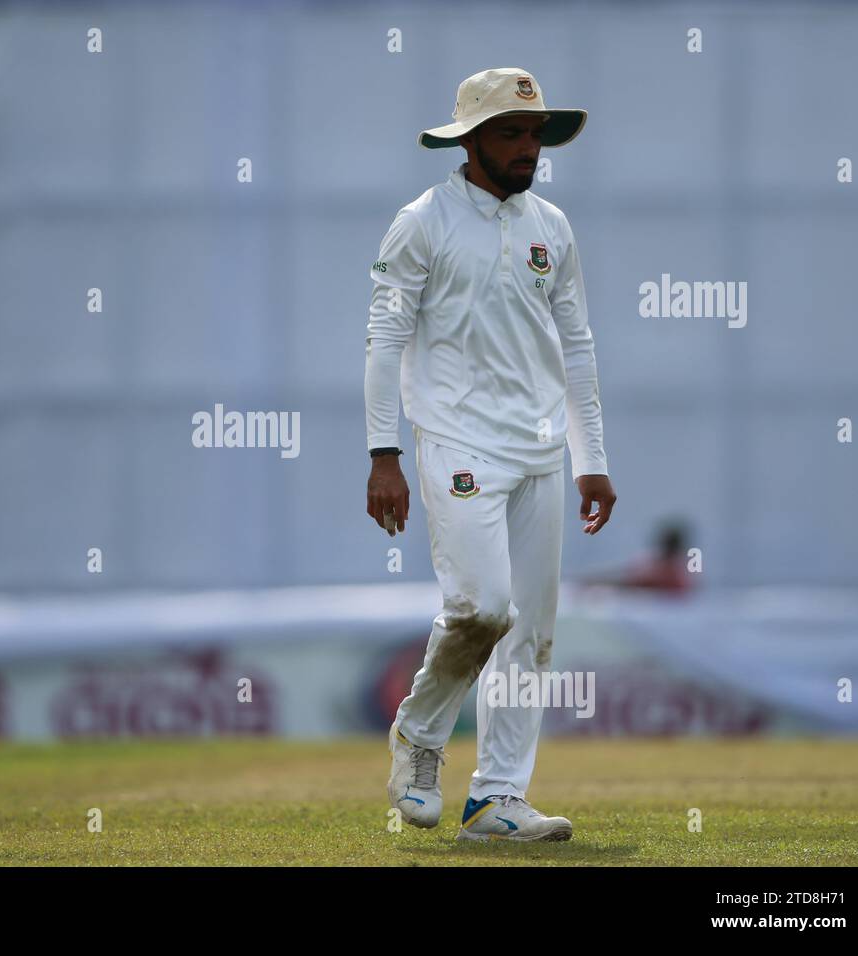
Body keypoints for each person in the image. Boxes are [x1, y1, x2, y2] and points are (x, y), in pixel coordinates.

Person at [365, 69, 616, 841]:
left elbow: (574, 344)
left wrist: (591, 456)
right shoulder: (423, 221)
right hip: (458, 440)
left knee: (532, 633)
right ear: (470, 141)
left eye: (534, 134)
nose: (526, 149)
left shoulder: (553, 226)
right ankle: (419, 736)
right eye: (509, 133)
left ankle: (496, 799)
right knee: (484, 608)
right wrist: (383, 454)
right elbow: (385, 339)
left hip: (540, 451)